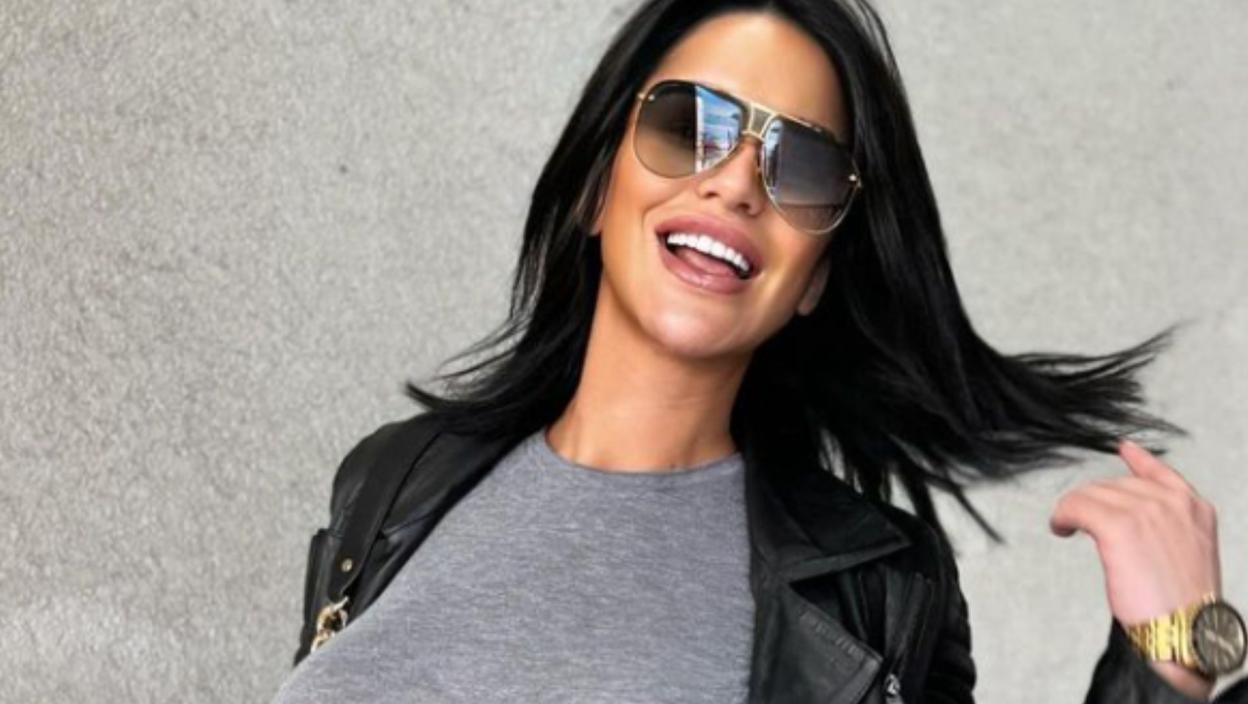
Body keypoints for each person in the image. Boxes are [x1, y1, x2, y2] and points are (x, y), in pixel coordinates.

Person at [273, 1, 1248, 702]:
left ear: (815, 276)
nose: (737, 182)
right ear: (594, 189)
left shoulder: (876, 594)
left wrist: (1173, 657)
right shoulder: (395, 480)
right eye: (687, 125)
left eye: (802, 166)